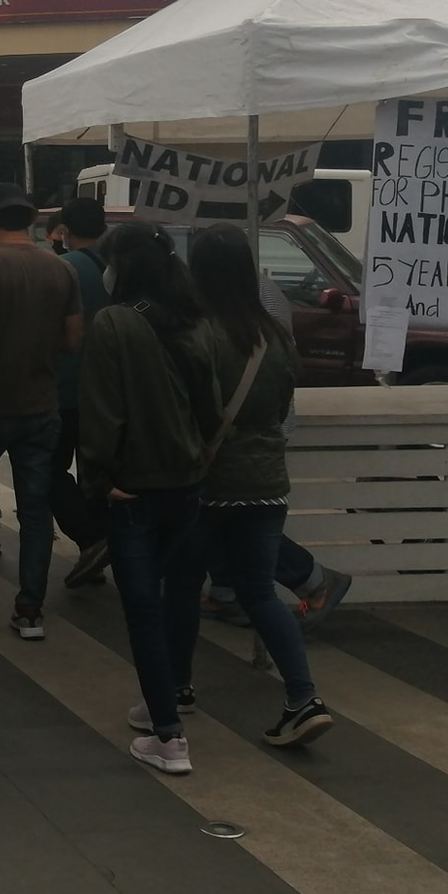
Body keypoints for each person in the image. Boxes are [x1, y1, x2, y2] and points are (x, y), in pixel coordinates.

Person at [169, 225, 336, 748]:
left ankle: (175, 691)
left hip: (204, 481)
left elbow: (184, 411)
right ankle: (302, 698)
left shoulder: (196, 333)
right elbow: (283, 403)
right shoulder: (275, 334)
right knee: (260, 593)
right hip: (266, 482)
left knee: (180, 589)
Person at [77, 222, 220, 774]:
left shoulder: (112, 323)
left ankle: (169, 736)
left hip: (131, 486)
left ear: (124, 267)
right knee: (179, 596)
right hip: (188, 483)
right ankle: (167, 698)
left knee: (141, 609)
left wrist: (97, 476)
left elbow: (102, 410)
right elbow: (209, 407)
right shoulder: (198, 323)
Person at [0, 183, 84, 640]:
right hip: (41, 405)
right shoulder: (61, 270)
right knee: (35, 507)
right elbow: (72, 340)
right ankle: (30, 611)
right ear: (30, 221)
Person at [49, 198, 113, 588]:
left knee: (51, 469)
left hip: (65, 385)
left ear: (64, 231)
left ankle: (91, 540)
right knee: (96, 473)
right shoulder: (116, 268)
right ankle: (101, 545)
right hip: (107, 388)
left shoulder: (64, 267)